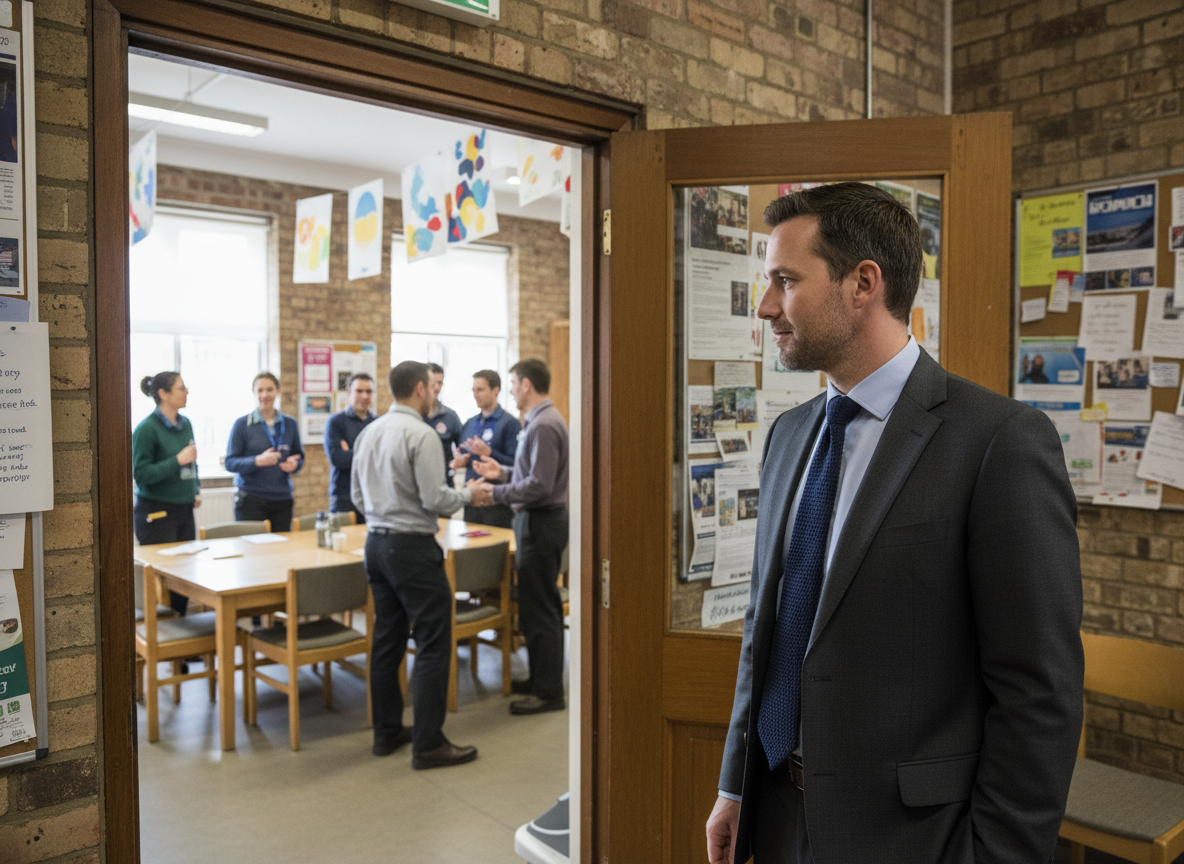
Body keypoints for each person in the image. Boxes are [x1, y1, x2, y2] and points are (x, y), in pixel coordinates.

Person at [705, 183, 1083, 864]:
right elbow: (766, 634)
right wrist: (735, 783)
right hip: (778, 813)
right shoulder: (789, 435)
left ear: (863, 284)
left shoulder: (999, 441)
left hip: (913, 838)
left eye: (784, 282)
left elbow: (1039, 694)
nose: (765, 308)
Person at [351, 360, 491, 767]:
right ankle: (428, 744)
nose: (436, 394)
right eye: (431, 387)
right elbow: (436, 499)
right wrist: (471, 494)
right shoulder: (423, 434)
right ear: (418, 389)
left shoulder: (369, 432)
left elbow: (357, 498)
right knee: (432, 641)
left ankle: (387, 732)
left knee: (387, 640)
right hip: (412, 548)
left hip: (375, 546)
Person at [472, 358, 569, 715]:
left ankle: (548, 692)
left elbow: (540, 485)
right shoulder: (541, 421)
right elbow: (531, 473)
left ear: (526, 384)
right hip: (538, 520)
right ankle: (543, 679)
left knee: (541, 609)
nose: (510, 390)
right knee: (536, 607)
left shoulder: (543, 424)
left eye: (512, 383)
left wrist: (494, 493)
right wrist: (502, 472)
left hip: (541, 522)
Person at [132, 371, 200, 615]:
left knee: (185, 574)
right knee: (165, 578)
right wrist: (176, 461)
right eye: (181, 388)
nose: (187, 392)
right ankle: (163, 640)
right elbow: (141, 474)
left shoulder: (186, 424)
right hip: (156, 513)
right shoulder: (146, 429)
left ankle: (183, 638)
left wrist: (196, 488)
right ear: (163, 394)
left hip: (184, 510)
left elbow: (192, 461)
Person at [224, 372, 304, 532]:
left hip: (282, 499)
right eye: (260, 390)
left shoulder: (290, 424)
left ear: (278, 392)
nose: (265, 395)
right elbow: (230, 463)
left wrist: (294, 464)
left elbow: (299, 456)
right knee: (253, 552)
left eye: (269, 390)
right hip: (251, 499)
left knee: (280, 551)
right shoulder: (242, 424)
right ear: (254, 393)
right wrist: (257, 461)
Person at [450, 369, 521, 529]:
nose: (476, 394)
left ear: (495, 391)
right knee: (471, 551)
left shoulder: (510, 424)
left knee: (497, 552)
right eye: (473, 390)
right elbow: (464, 454)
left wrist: (490, 453)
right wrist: (460, 461)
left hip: (496, 502)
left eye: (480, 389)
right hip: (471, 500)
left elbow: (517, 465)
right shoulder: (469, 423)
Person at [323, 372, 376, 524]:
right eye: (359, 391)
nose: (364, 396)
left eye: (369, 391)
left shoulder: (378, 424)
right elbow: (338, 459)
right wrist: (370, 454)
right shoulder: (336, 423)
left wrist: (352, 452)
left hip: (372, 496)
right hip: (344, 496)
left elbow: (383, 459)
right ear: (349, 393)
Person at [424, 362, 462, 479]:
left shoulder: (450, 416)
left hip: (444, 480)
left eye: (439, 383)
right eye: (433, 383)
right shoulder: (414, 416)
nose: (436, 387)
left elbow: (462, 447)